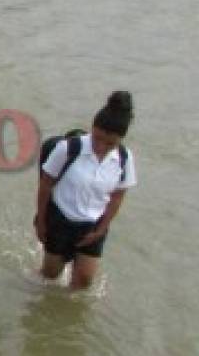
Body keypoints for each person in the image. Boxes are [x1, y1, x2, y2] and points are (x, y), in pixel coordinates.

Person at [34, 91, 138, 291]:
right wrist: (41, 221)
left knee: (84, 281)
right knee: (50, 276)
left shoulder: (125, 158)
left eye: (110, 144)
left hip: (93, 225)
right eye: (97, 138)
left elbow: (117, 197)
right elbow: (45, 184)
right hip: (60, 220)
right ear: (92, 128)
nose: (101, 146)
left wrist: (101, 228)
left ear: (120, 140)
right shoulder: (68, 149)